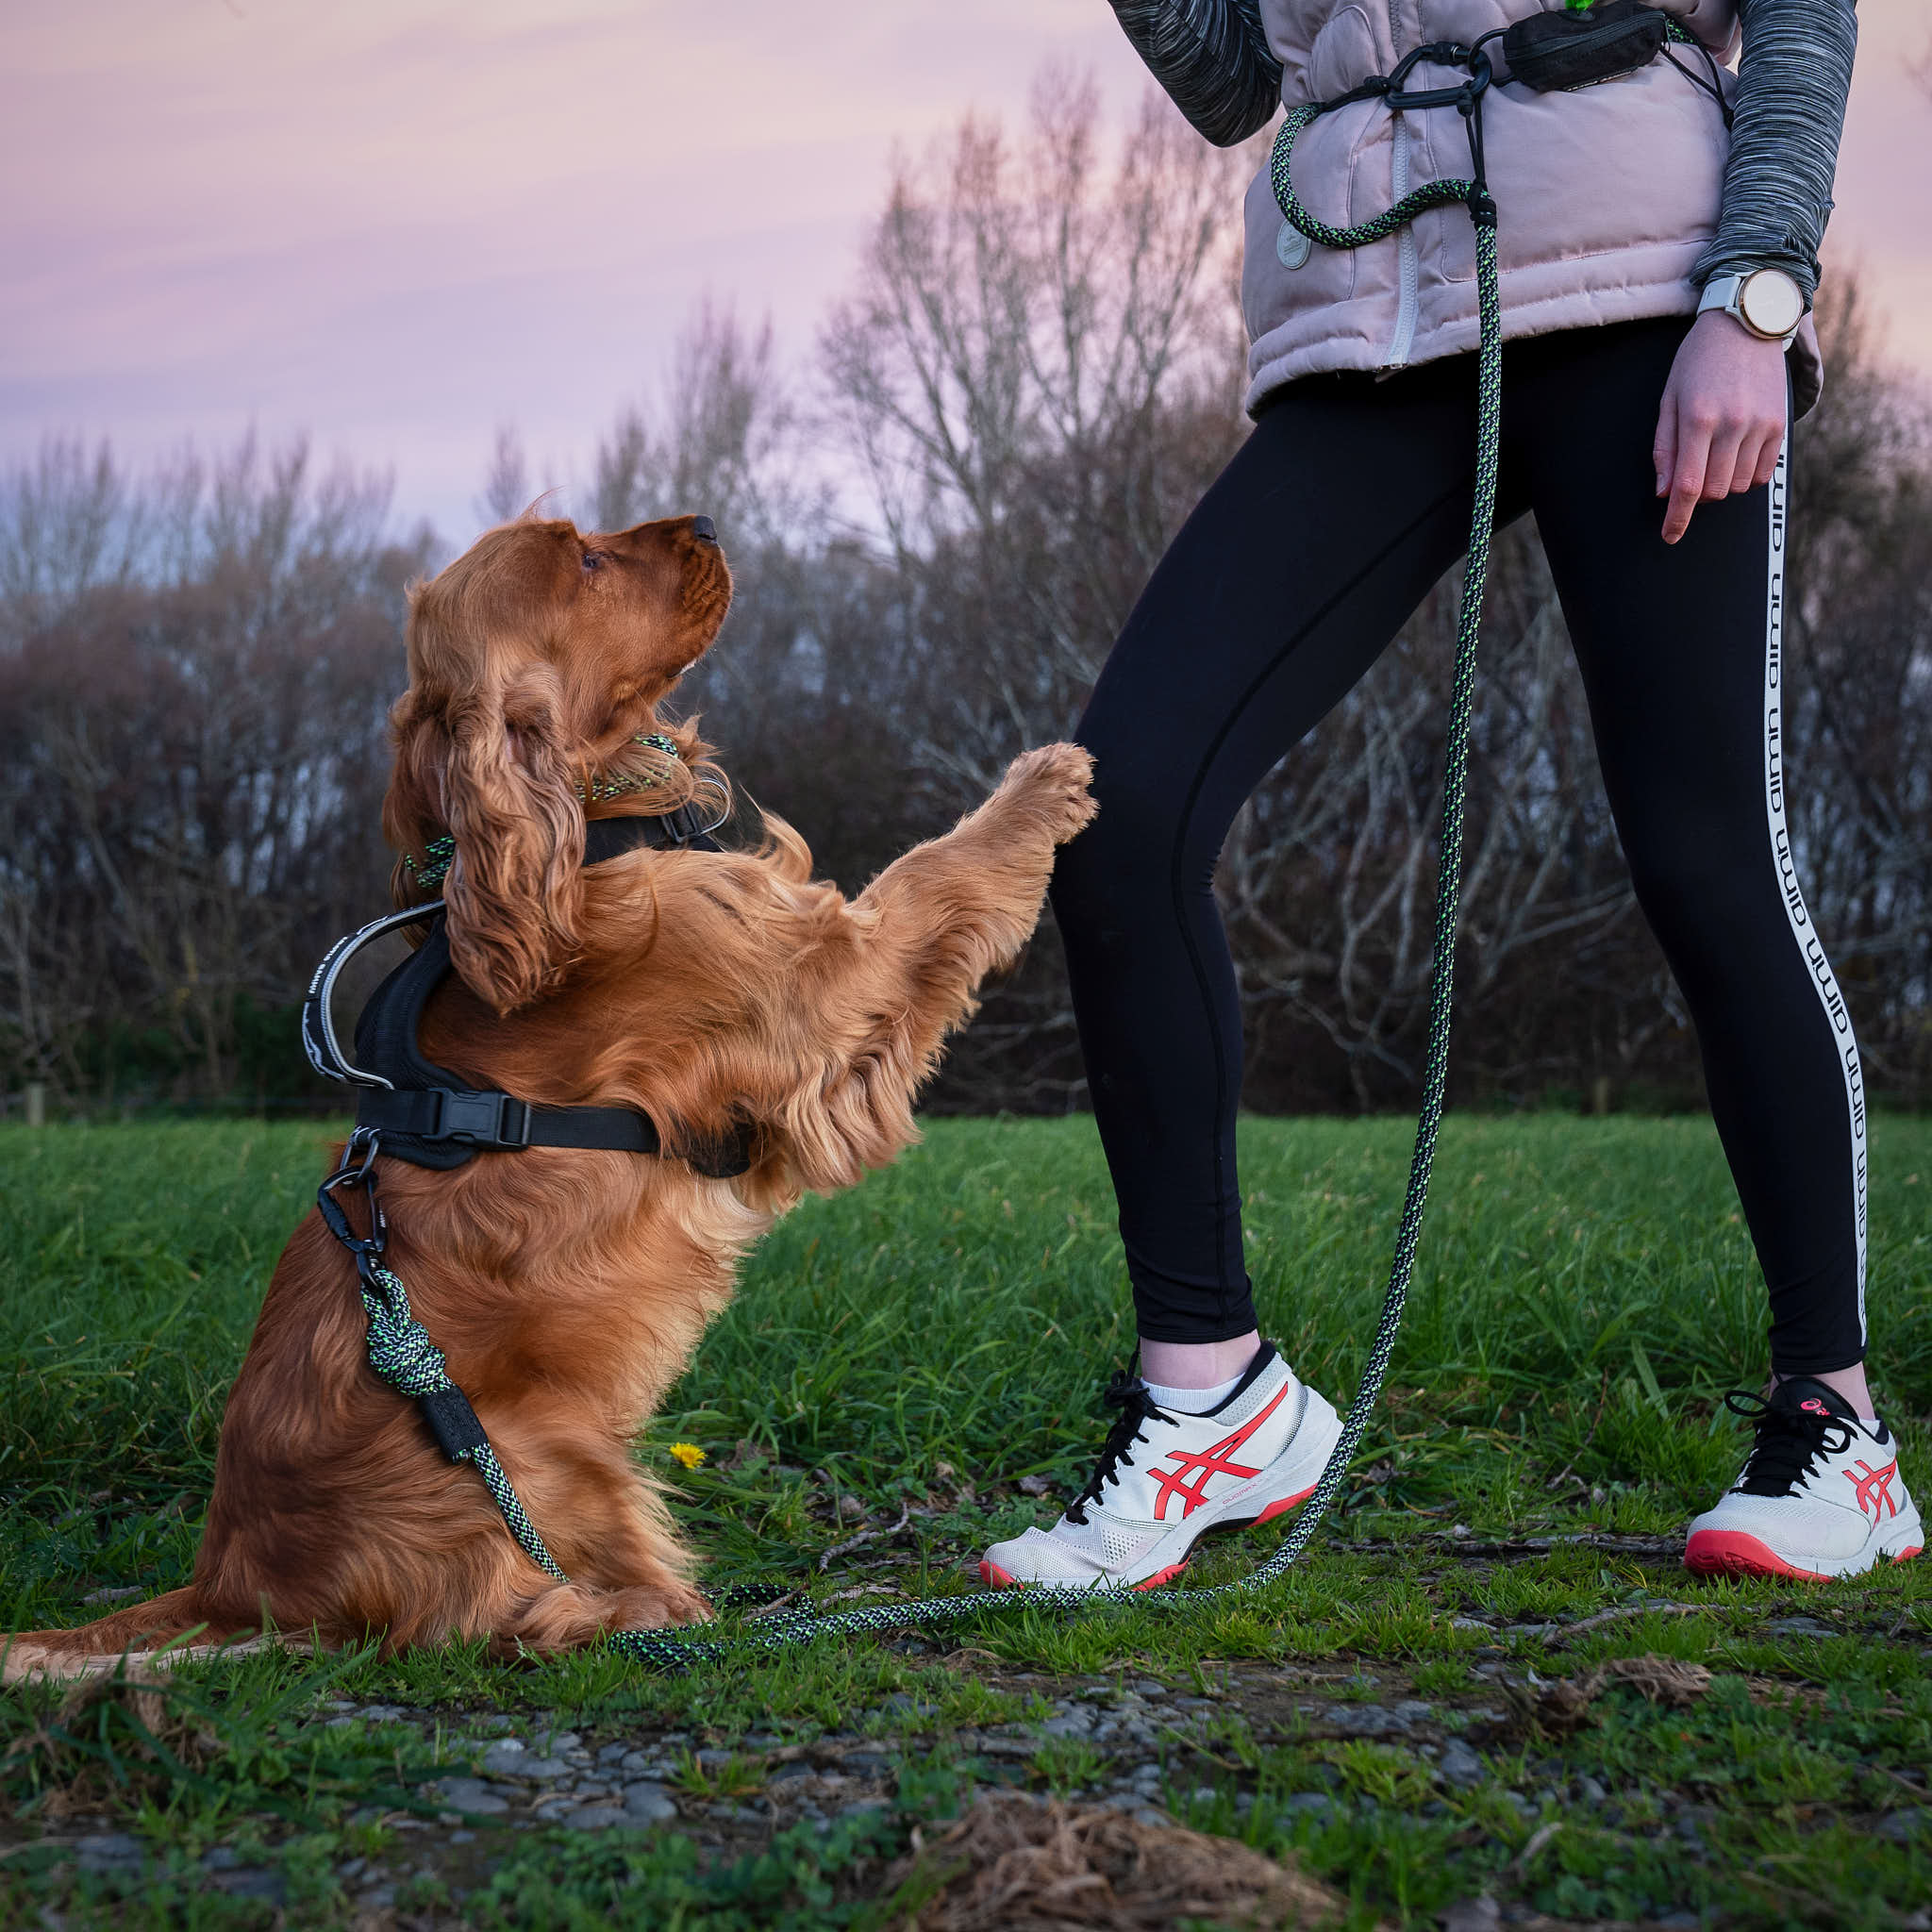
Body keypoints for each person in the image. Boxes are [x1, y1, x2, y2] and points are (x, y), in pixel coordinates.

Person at [982, 0, 1923, 1591]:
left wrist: (1756, 300)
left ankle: (1837, 1428)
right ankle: (1215, 1397)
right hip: (1367, 302)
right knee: (1118, 807)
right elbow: (1231, 84)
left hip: (1648, 278)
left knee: (1707, 858)